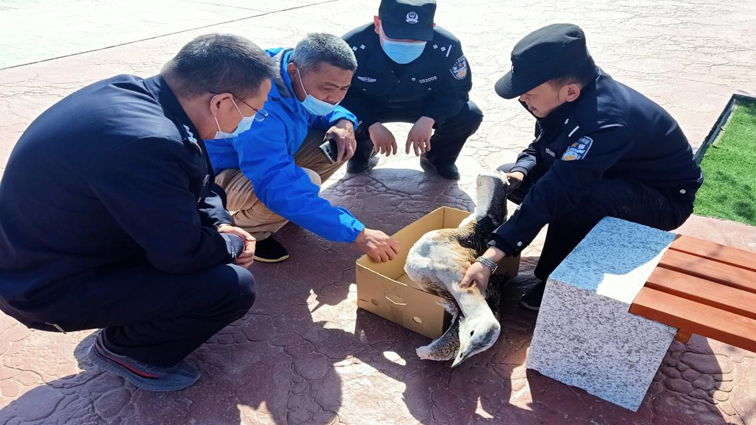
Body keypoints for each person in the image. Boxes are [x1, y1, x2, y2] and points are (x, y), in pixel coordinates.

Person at [0, 34, 276, 391]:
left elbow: (201, 182)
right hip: (43, 289)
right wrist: (234, 247)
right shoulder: (150, 143)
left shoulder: (139, 98)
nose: (252, 120)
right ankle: (127, 351)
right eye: (255, 110)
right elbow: (182, 255)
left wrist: (222, 224)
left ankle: (134, 314)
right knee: (231, 287)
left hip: (42, 255)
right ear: (222, 102)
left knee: (211, 247)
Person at [460, 24, 704, 310]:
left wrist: (491, 258)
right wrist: (521, 171)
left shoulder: (604, 122)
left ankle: (555, 280)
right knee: (516, 176)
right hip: (616, 171)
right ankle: (569, 235)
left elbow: (560, 188)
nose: (521, 98)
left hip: (663, 198)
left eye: (528, 92)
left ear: (570, 92)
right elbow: (542, 145)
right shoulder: (564, 97)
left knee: (577, 198)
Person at [206, 33, 400, 263]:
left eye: (344, 88)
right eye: (328, 87)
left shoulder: (291, 69)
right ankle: (248, 230)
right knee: (300, 184)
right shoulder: (259, 111)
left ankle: (297, 210)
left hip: (256, 160)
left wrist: (344, 121)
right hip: (214, 178)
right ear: (292, 70)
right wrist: (358, 233)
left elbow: (318, 111)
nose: (335, 98)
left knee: (338, 142)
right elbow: (277, 186)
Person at [340, 0, 482, 180]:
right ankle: (362, 152)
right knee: (335, 116)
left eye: (416, 38)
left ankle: (438, 158)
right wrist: (370, 124)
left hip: (422, 103)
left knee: (469, 114)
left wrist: (430, 118)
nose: (406, 43)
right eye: (396, 36)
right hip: (370, 103)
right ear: (377, 24)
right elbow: (341, 94)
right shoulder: (351, 47)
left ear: (432, 28)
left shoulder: (447, 47)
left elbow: (457, 90)